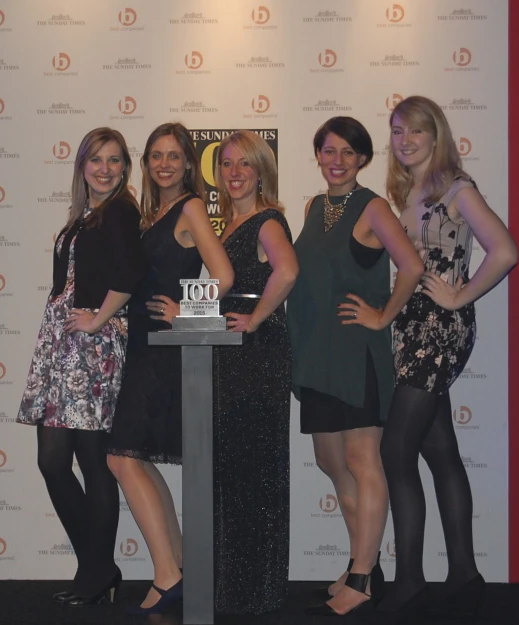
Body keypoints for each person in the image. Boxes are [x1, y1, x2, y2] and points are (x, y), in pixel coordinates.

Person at [368, 96, 518, 624]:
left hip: (441, 329)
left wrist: (459, 296)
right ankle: (464, 574)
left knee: (395, 451)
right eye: (396, 131)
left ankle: (410, 578)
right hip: (408, 330)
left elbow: (504, 250)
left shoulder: (458, 190)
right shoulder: (404, 193)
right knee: (441, 453)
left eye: (415, 131)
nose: (404, 140)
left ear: (437, 135)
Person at [286, 117, 424, 618]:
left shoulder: (372, 207)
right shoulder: (314, 206)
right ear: (318, 155)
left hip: (355, 355)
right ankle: (361, 560)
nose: (336, 161)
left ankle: (363, 577)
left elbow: (411, 265)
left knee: (364, 461)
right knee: (331, 461)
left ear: (363, 158)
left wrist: (383, 315)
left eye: (348, 152)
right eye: (328, 151)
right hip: (316, 356)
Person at [106, 122, 234, 615]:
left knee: (121, 457)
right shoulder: (150, 212)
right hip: (141, 343)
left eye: (174, 156)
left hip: (162, 349)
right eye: (156, 155)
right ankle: (177, 564)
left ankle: (167, 574)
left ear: (187, 164)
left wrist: (187, 310)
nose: (164, 164)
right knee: (134, 455)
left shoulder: (191, 208)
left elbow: (223, 275)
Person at [17, 127, 145, 606]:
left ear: (124, 168)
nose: (105, 169)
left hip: (93, 351)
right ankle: (97, 565)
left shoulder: (121, 213)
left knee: (92, 462)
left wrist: (98, 320)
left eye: (114, 161)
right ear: (82, 167)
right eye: (97, 160)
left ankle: (95, 570)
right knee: (51, 460)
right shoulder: (84, 217)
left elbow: (131, 274)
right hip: (62, 347)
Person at [212, 131, 298, 614]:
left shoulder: (266, 220)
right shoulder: (229, 223)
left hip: (257, 354)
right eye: (227, 165)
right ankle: (235, 586)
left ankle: (253, 591)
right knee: (235, 469)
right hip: (232, 353)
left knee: (254, 471)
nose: (235, 173)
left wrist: (256, 319)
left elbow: (287, 271)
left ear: (262, 170)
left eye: (245, 164)